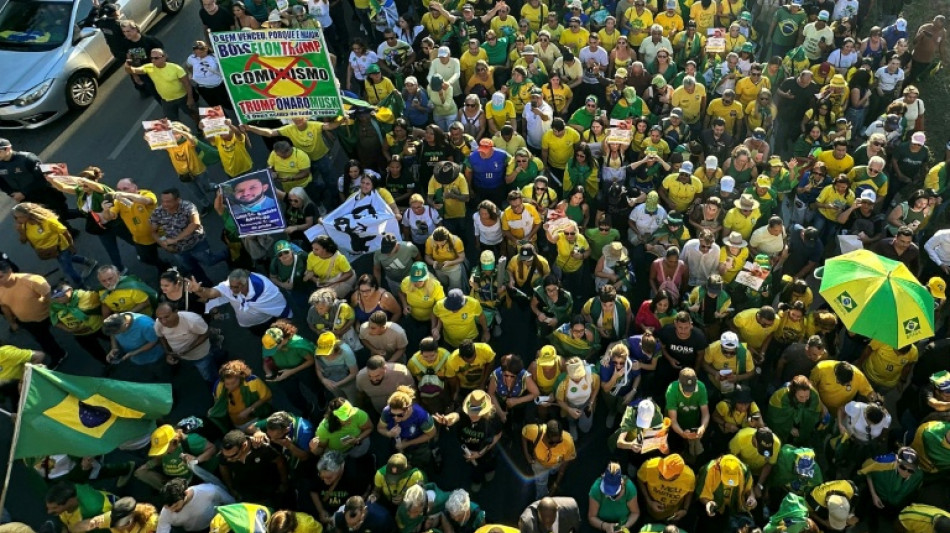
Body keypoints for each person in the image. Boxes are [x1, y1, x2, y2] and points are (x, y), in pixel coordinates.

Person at [150, 188, 228, 285]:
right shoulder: (157, 212)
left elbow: (195, 224)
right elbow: (154, 232)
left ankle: (227, 255)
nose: (165, 204)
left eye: (168, 201)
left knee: (209, 261)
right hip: (179, 250)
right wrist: (164, 245)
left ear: (177, 200)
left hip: (196, 243)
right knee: (193, 270)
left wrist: (175, 240)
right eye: (163, 201)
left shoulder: (188, 207)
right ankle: (207, 286)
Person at [13, 202, 95, 289]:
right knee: (67, 259)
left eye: (18, 217)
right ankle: (89, 262)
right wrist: (21, 232)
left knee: (67, 269)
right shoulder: (24, 226)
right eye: (15, 217)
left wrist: (71, 246)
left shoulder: (48, 221)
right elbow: (23, 241)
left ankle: (82, 285)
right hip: (50, 251)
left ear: (28, 215)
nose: (16, 220)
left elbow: (65, 232)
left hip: (61, 248)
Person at [188, 269, 290, 337]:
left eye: (235, 287)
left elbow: (280, 306)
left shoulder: (265, 290)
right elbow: (210, 293)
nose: (231, 290)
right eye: (230, 286)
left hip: (269, 320)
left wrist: (284, 325)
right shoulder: (228, 286)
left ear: (244, 284)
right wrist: (199, 290)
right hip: (252, 325)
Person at [0, 262, 67, 366]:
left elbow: (50, 297)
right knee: (44, 340)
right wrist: (12, 322)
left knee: (71, 326)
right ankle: (59, 355)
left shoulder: (32, 280)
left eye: (0, 277)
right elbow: (5, 307)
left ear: (9, 271)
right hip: (29, 322)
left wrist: (59, 312)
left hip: (48, 314)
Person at [0, 138, 71, 219]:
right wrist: (12, 193)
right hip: (26, 198)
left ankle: (85, 214)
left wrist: (23, 192)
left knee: (62, 215)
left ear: (8, 149)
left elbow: (43, 178)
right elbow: (2, 183)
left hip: (45, 193)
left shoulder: (27, 159)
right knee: (44, 218)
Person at [260, 320, 319, 415]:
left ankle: (321, 397)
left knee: (314, 385)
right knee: (293, 396)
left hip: (302, 368)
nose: (271, 350)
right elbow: (266, 360)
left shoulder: (298, 345)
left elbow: (311, 360)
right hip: (283, 371)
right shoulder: (269, 344)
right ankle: (306, 408)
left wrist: (290, 372)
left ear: (283, 340)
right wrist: (269, 372)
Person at [218, 429, 290, 508]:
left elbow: (280, 462)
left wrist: (284, 483)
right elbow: (223, 467)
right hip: (245, 492)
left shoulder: (262, 447)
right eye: (226, 456)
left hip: (268, 490)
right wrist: (231, 488)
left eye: (233, 456)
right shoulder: (226, 453)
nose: (229, 459)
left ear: (244, 446)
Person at [135, 424, 219, 491]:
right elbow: (159, 458)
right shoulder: (166, 449)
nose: (161, 452)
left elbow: (212, 448)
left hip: (190, 480)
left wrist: (196, 460)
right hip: (172, 479)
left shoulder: (191, 441)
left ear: (173, 441)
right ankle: (167, 490)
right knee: (139, 472)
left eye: (163, 449)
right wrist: (149, 465)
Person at [124, 49, 197, 124]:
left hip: (182, 98)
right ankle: (181, 133)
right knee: (172, 121)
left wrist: (190, 98)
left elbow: (187, 84)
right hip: (166, 100)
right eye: (151, 58)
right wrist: (128, 62)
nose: (153, 60)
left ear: (164, 57)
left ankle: (200, 128)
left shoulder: (176, 68)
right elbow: (132, 70)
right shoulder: (150, 67)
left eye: (156, 58)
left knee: (192, 114)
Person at [154, 302, 215, 384]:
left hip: (200, 356)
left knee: (207, 374)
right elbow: (161, 337)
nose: (163, 322)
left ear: (176, 311)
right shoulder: (158, 323)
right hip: (181, 356)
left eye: (167, 317)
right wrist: (168, 352)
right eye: (160, 318)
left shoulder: (192, 320)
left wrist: (189, 349)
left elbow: (206, 333)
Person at [102, 312, 169, 383]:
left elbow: (153, 341)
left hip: (153, 357)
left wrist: (134, 353)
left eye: (118, 332)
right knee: (146, 372)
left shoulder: (146, 325)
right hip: (137, 358)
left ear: (125, 325)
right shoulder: (117, 320)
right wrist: (114, 347)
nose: (116, 334)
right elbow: (112, 334)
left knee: (160, 372)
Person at [209, 359, 273, 433]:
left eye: (233, 383)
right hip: (236, 424)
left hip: (256, 419)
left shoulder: (253, 381)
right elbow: (218, 403)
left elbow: (267, 396)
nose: (230, 387)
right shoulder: (219, 386)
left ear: (241, 377)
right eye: (227, 384)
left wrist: (250, 409)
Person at [522, 419, 577, 499]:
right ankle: (541, 499)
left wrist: (556, 483)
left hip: (557, 463)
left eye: (558, 442)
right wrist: (526, 454)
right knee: (541, 484)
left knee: (555, 471)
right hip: (540, 464)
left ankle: (552, 474)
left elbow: (565, 463)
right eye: (551, 442)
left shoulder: (568, 441)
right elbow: (524, 433)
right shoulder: (535, 431)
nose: (555, 445)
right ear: (545, 436)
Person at [157, 479, 235, 533]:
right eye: (168, 508)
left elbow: (231, 503)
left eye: (176, 506)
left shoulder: (209, 491)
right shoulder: (166, 512)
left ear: (186, 493)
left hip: (219, 526)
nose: (172, 511)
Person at [636, 454, 695, 523]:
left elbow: (690, 492)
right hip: (649, 510)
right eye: (661, 472)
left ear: (677, 476)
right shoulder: (649, 466)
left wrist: (685, 510)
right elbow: (640, 479)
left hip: (673, 514)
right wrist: (649, 501)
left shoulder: (689, 477)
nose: (660, 476)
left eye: (665, 477)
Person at [588, 462, 641, 533]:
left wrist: (624, 528)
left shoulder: (629, 488)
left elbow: (635, 513)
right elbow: (592, 517)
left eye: (613, 495)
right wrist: (606, 526)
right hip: (601, 528)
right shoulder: (596, 489)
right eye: (606, 492)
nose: (607, 496)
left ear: (621, 485)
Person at [45, 482, 117, 533]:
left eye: (55, 508)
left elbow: (118, 518)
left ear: (70, 501)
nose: (49, 512)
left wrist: (91, 524)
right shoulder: (69, 491)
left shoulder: (94, 508)